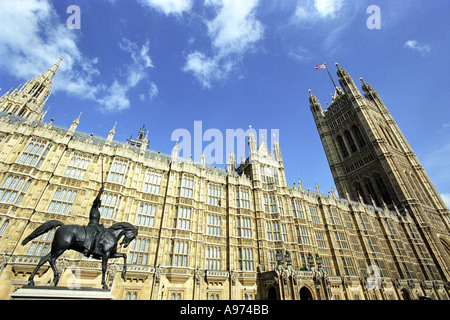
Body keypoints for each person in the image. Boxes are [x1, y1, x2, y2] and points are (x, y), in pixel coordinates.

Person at [83, 186, 105, 257]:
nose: (100, 204)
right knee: (101, 232)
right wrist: (100, 192)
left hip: (96, 224)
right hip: (93, 224)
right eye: (99, 203)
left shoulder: (96, 210)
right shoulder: (94, 208)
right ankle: (95, 249)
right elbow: (95, 201)